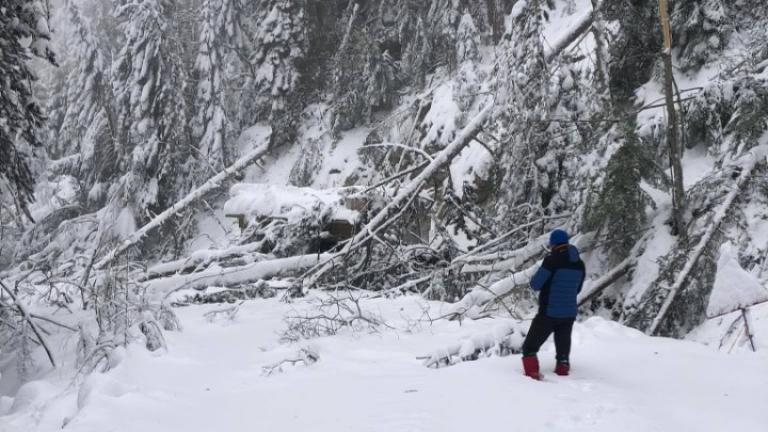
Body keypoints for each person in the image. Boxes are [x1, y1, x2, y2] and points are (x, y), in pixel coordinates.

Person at [521, 229, 585, 380]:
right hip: (569, 313)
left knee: (529, 347)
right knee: (562, 350)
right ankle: (562, 370)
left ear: (553, 244)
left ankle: (532, 376)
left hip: (548, 312)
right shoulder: (580, 264)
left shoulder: (552, 260)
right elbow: (578, 289)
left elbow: (536, 284)